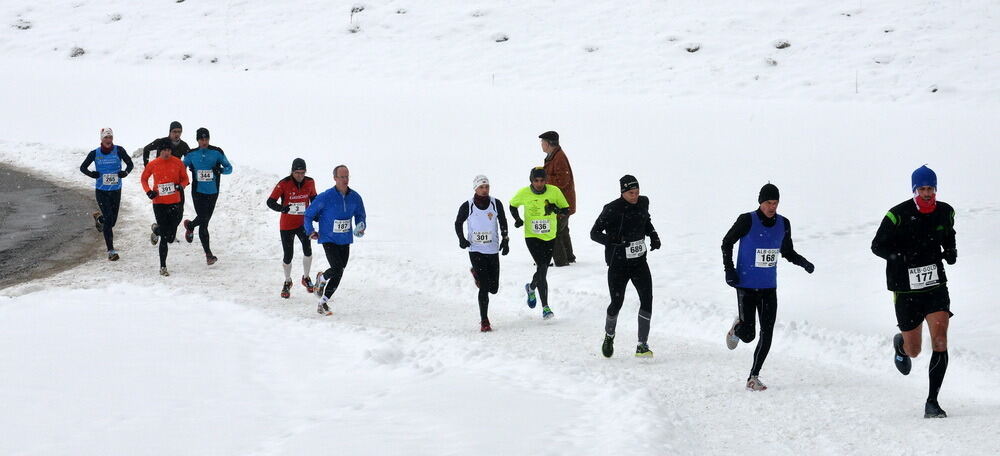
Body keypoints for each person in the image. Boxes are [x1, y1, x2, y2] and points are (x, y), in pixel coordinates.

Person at [871, 165, 956, 418]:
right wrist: (899, 257)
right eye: (922, 189)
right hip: (905, 289)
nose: (927, 193)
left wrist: (951, 251)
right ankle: (901, 346)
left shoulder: (945, 212)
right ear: (914, 189)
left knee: (940, 340)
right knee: (915, 350)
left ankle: (932, 402)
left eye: (931, 188)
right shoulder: (897, 215)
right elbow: (877, 246)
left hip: (935, 286)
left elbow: (948, 234)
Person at [721, 183, 814, 391]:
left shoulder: (783, 224)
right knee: (748, 335)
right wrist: (729, 269)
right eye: (768, 203)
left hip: (768, 287)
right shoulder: (747, 220)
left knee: (768, 331)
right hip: (745, 285)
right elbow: (727, 242)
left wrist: (803, 262)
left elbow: (787, 251)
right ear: (760, 202)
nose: (772, 207)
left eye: (775, 203)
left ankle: (753, 377)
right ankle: (737, 327)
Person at [591, 175, 661, 358]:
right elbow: (594, 233)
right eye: (631, 193)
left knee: (647, 299)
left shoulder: (643, 203)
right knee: (617, 303)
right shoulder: (612, 209)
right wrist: (612, 240)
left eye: (637, 192)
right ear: (623, 192)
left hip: (639, 263)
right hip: (618, 264)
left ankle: (642, 345)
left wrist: (653, 235)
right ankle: (609, 335)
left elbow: (645, 222)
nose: (635, 196)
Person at [305, 165, 366, 316]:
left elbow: (360, 214)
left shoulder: (355, 197)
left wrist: (361, 225)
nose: (345, 180)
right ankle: (322, 278)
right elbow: (308, 215)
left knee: (339, 271)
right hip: (328, 238)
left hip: (345, 239)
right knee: (337, 268)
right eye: (342, 177)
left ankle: (323, 301)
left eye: (347, 177)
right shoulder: (326, 197)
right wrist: (310, 231)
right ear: (335, 178)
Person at [509, 167, 570, 320]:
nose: (539, 184)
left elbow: (566, 210)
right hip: (532, 236)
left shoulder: (554, 191)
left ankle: (531, 288)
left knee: (542, 269)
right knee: (542, 268)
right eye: (536, 181)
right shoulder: (523, 193)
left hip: (549, 236)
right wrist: (517, 219)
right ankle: (545, 307)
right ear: (531, 180)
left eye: (542, 180)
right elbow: (512, 205)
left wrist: (555, 208)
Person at [455, 175, 510, 332]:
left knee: (494, 288)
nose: (485, 190)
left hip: (492, 250)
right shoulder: (468, 205)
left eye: (487, 186)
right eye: (481, 187)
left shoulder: (495, 203)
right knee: (484, 287)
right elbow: (458, 223)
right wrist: (462, 239)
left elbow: (503, 221)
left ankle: (476, 275)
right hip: (476, 250)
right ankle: (484, 321)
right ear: (475, 189)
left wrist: (506, 240)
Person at [79, 128, 134, 261]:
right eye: (106, 138)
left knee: (112, 221)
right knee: (109, 220)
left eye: (110, 137)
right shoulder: (95, 153)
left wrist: (125, 173)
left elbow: (130, 164)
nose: (108, 140)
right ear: (101, 140)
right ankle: (111, 250)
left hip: (116, 190)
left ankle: (100, 219)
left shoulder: (119, 150)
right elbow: (82, 167)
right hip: (102, 191)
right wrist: (92, 174)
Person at [266, 158, 318, 299]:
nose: (300, 176)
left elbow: (315, 201)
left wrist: (317, 215)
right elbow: (270, 202)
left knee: (308, 251)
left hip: (303, 224)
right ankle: (287, 281)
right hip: (287, 225)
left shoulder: (310, 182)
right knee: (288, 256)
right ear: (292, 171)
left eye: (302, 173)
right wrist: (283, 208)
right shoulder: (284, 184)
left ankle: (306, 278)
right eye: (297, 173)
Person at [182, 128, 232, 265]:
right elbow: (181, 168)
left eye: (206, 139)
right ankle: (208, 255)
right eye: (201, 139)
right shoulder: (191, 154)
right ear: (197, 140)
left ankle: (190, 225)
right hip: (198, 192)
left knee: (204, 220)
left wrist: (220, 170)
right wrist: (182, 180)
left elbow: (229, 168)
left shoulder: (217, 152)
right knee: (204, 221)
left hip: (213, 192)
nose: (204, 142)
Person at [140, 140, 189, 276]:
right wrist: (148, 191)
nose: (167, 153)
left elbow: (185, 179)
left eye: (169, 150)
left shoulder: (178, 163)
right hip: (159, 203)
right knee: (165, 237)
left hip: (175, 202)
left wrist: (181, 186)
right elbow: (144, 179)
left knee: (170, 236)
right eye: (164, 150)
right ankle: (163, 266)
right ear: (159, 152)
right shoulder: (153, 164)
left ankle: (156, 229)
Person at [539, 131, 577, 266]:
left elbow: (563, 180)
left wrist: (544, 178)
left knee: (554, 232)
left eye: (542, 142)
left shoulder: (559, 157)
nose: (541, 145)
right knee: (563, 230)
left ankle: (561, 262)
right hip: (563, 202)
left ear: (549, 143)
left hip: (562, 203)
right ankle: (569, 257)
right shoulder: (554, 156)